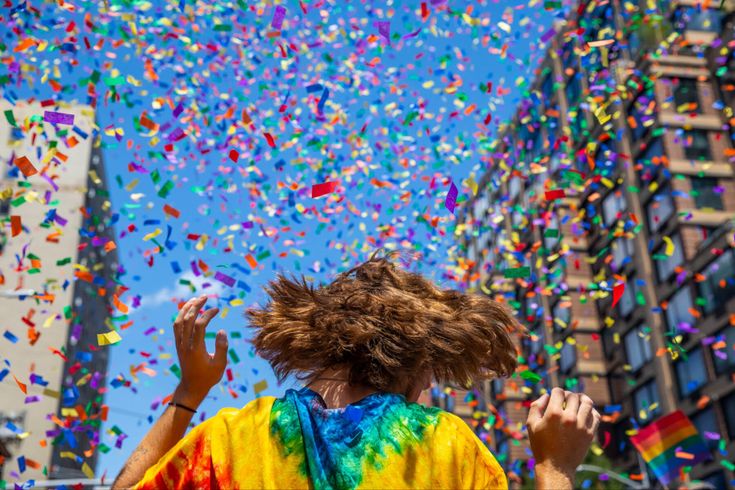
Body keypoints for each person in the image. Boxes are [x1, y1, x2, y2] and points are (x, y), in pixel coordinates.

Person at [113, 252, 600, 489]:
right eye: (431, 367)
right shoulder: (441, 444)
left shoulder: (231, 439)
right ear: (417, 361)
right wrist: (554, 467)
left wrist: (190, 391)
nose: (431, 383)